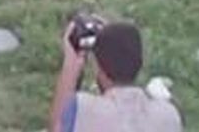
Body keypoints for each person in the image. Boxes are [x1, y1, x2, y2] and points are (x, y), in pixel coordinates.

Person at [50, 20, 183, 132]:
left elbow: (58, 126)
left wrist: (71, 65)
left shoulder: (83, 108)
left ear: (98, 67)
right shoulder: (169, 116)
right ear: (140, 63)